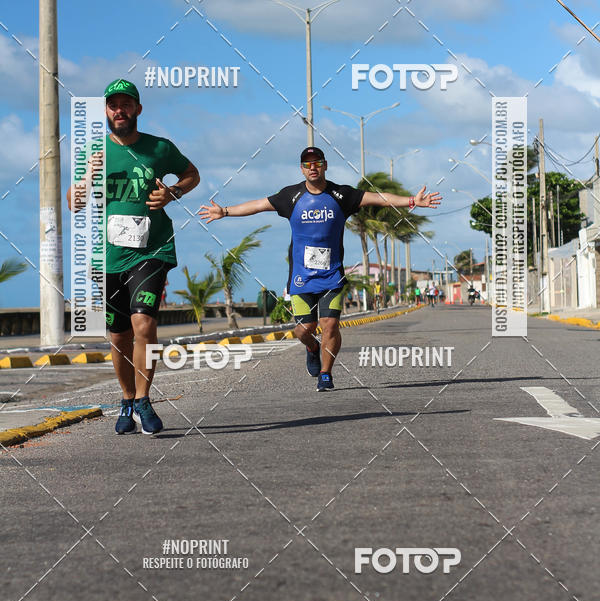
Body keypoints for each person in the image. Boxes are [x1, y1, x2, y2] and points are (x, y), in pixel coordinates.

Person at [199, 146, 441, 391]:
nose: (312, 167)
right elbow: (259, 205)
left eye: (317, 163)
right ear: (302, 169)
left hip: (332, 274)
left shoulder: (341, 195)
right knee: (304, 330)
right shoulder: (290, 196)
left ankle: (326, 374)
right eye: (307, 164)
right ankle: (312, 347)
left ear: (325, 165)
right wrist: (225, 211)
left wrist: (412, 201)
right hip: (301, 277)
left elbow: (378, 198)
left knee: (330, 324)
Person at [67, 79, 199, 434]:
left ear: (138, 109)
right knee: (119, 336)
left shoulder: (159, 148)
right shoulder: (92, 151)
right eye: (113, 105)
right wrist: (87, 177)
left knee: (145, 324)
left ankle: (144, 398)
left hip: (151, 250)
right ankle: (127, 398)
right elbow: (73, 203)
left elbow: (192, 174)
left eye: (126, 104)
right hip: (107, 256)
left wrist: (172, 193)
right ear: (106, 111)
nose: (119, 110)